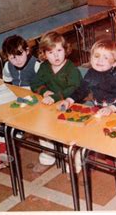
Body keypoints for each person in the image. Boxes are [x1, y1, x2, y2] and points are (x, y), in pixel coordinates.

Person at [30, 31, 82, 172]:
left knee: (66, 133)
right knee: (42, 129)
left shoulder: (71, 69)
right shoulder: (44, 67)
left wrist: (55, 97)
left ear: (66, 50)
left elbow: (74, 89)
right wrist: (44, 91)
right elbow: (34, 83)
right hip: (50, 106)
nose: (56, 55)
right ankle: (48, 156)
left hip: (71, 105)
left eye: (59, 50)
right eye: (51, 52)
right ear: (44, 54)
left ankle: (73, 158)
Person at [0, 35, 41, 171]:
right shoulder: (8, 66)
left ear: (27, 50)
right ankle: (3, 157)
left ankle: (14, 141)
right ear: (7, 57)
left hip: (34, 104)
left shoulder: (36, 65)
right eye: (12, 57)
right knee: (4, 127)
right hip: (17, 103)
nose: (17, 60)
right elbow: (7, 83)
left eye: (19, 54)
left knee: (12, 130)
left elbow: (45, 85)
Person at [59, 40, 116, 117]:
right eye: (96, 56)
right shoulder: (91, 73)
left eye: (106, 58)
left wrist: (111, 109)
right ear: (90, 57)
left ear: (114, 63)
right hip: (97, 110)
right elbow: (81, 90)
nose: (100, 60)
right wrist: (68, 100)